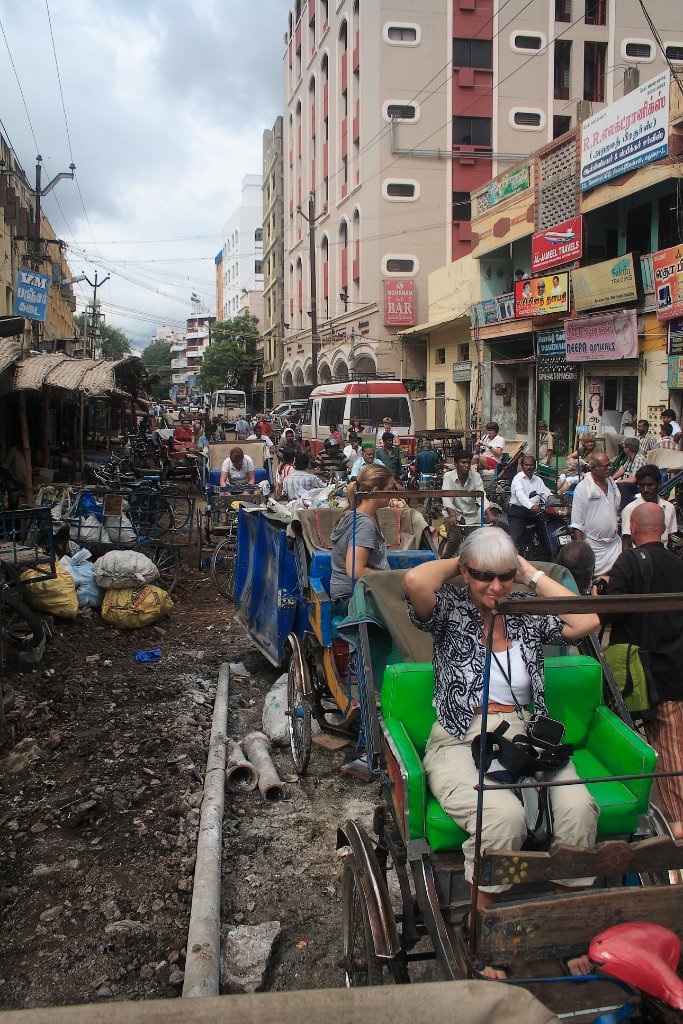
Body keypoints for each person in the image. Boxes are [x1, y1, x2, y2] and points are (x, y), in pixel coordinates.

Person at [403, 528, 600, 977]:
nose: (495, 587)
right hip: (459, 734)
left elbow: (586, 619)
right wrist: (464, 562)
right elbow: (414, 583)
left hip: (525, 734)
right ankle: (483, 929)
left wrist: (529, 574)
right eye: (484, 577)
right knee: (501, 817)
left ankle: (564, 926)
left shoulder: (525, 612)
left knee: (578, 808)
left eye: (503, 576)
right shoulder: (450, 609)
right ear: (467, 572)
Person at [604, 503, 683, 840]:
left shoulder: (629, 561)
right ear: (663, 528)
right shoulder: (678, 563)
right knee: (671, 752)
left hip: (643, 679)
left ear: (633, 526)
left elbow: (611, 612)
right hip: (675, 669)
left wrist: (600, 593)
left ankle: (674, 835)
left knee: (659, 755)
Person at [329, 464, 395, 615]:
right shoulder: (364, 523)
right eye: (390, 489)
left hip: (360, 592)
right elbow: (355, 570)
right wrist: (391, 579)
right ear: (377, 492)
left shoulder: (361, 515)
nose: (393, 493)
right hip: (352, 598)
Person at [570, 454, 621, 577]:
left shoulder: (612, 485)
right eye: (605, 466)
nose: (609, 468)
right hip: (593, 547)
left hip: (613, 546)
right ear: (593, 468)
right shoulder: (582, 489)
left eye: (610, 465)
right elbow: (577, 524)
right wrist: (582, 552)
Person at [620, 465, 677, 551]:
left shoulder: (669, 508)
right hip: (639, 562)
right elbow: (626, 541)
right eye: (642, 485)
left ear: (659, 484)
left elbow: (668, 541)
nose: (646, 489)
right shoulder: (630, 509)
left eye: (650, 485)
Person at [508, 455, 553, 552]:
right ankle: (508, 558)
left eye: (531, 465)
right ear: (522, 466)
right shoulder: (517, 479)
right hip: (518, 513)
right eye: (526, 465)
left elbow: (546, 493)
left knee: (547, 532)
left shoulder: (538, 480)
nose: (529, 467)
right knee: (513, 540)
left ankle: (546, 555)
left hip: (534, 513)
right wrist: (531, 506)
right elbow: (521, 496)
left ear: (535, 466)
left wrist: (553, 501)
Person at [442, 450, 488, 527]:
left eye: (468, 462)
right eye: (463, 462)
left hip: (471, 517)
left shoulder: (476, 476)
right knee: (455, 537)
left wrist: (489, 514)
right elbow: (447, 499)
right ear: (456, 464)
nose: (467, 465)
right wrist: (452, 515)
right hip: (452, 515)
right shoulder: (448, 476)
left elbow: (482, 497)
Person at [611, 436, 646, 508]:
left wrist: (618, 481)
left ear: (627, 449)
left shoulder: (638, 459)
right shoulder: (630, 458)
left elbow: (634, 479)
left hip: (636, 485)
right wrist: (611, 479)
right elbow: (622, 469)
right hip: (628, 482)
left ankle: (623, 508)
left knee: (622, 486)